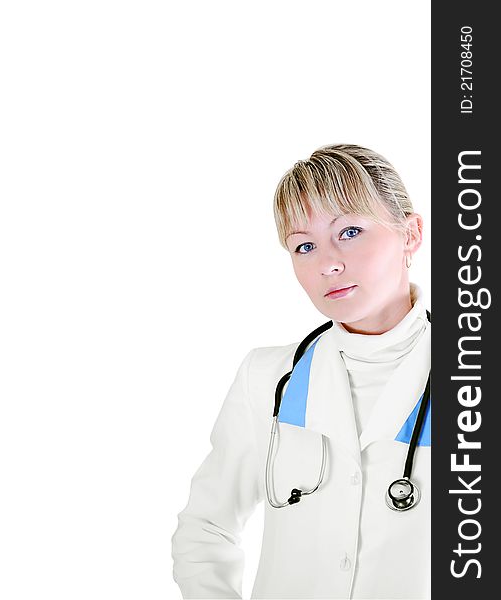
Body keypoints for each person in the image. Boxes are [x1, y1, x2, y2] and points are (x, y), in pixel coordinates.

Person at [171, 144, 430, 599]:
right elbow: (206, 528)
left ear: (410, 234)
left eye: (350, 231)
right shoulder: (267, 378)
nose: (327, 263)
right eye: (304, 245)